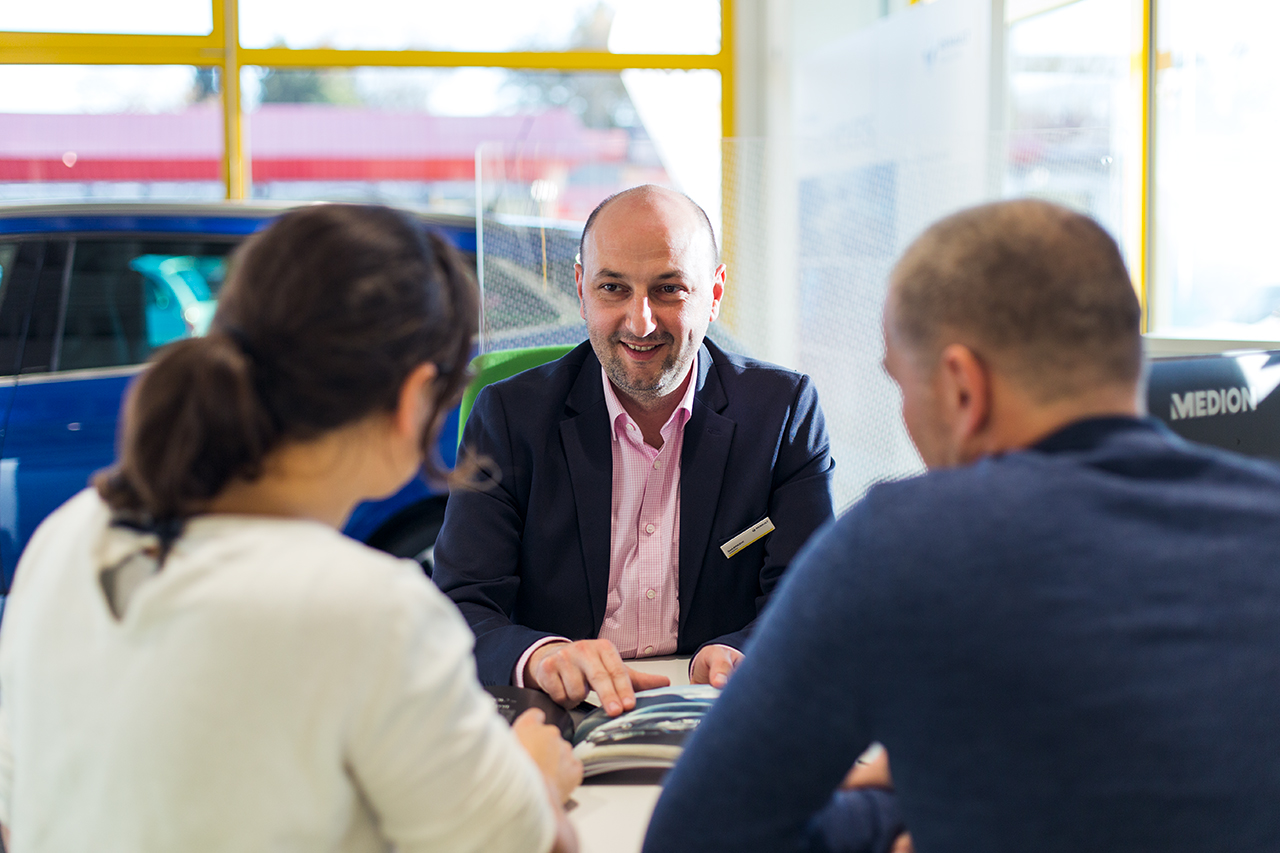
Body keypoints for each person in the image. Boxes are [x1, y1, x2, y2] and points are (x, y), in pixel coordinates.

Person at [642, 199, 1280, 853]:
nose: (908, 421)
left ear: (962, 387)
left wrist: (906, 807)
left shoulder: (898, 544)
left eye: (902, 386)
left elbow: (697, 837)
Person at [0, 204, 581, 853]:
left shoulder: (65, 536)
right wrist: (534, 773)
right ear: (415, 395)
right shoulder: (371, 609)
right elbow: (530, 843)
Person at [433, 185, 835, 715]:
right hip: (562, 707)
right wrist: (541, 657)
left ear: (714, 294)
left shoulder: (782, 413)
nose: (640, 322)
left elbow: (810, 593)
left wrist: (740, 650)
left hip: (716, 703)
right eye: (613, 288)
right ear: (581, 289)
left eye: (669, 290)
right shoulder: (511, 418)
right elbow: (462, 604)